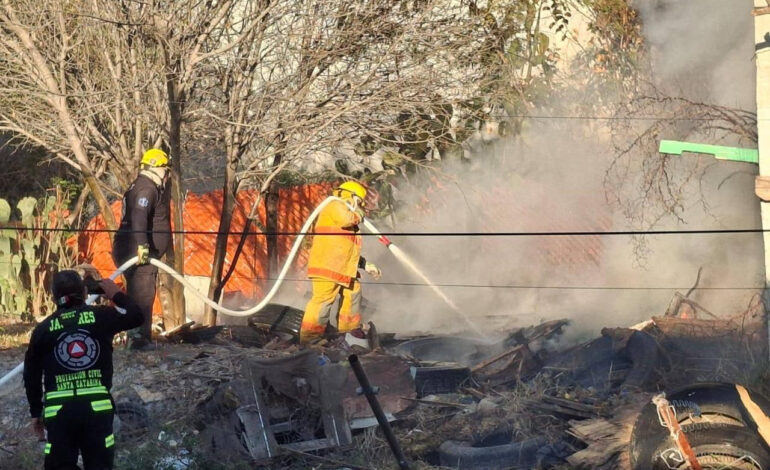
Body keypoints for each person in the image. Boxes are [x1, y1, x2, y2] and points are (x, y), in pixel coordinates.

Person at [23, 270, 143, 470]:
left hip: (59, 412)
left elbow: (31, 374)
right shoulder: (101, 316)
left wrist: (36, 412)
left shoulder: (43, 329)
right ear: (85, 293)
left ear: (53, 297)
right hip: (97, 410)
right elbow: (137, 316)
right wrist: (115, 294)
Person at [300, 181, 382, 343]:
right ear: (351, 196)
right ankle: (310, 340)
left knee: (353, 293)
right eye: (360, 202)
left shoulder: (347, 213)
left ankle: (349, 333)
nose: (360, 206)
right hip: (327, 267)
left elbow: (346, 249)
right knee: (323, 302)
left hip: (343, 269)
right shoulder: (334, 205)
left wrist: (365, 265)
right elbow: (345, 219)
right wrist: (359, 213)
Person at [112, 148, 172, 350]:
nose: (166, 174)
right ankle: (139, 342)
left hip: (134, 250)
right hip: (137, 252)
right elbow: (139, 216)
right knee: (143, 296)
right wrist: (142, 246)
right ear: (156, 168)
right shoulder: (147, 189)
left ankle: (137, 337)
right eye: (165, 170)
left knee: (139, 294)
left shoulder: (141, 185)